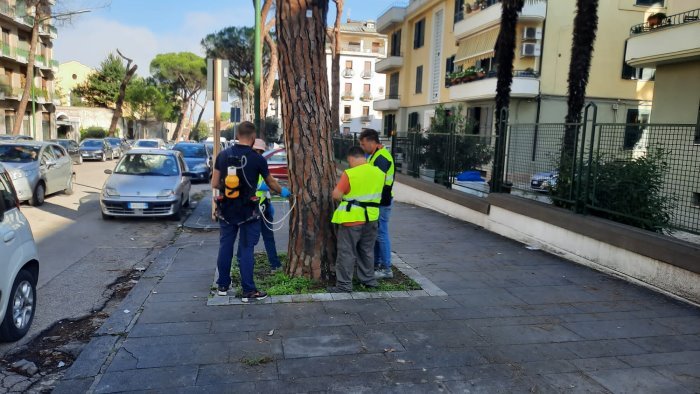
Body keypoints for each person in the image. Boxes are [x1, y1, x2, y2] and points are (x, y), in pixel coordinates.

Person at [212, 122, 290, 302]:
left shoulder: (223, 155)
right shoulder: (258, 159)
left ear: (237, 135)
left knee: (225, 247)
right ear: (253, 138)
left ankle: (222, 286)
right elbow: (271, 183)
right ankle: (248, 290)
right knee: (246, 249)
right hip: (248, 212)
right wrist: (283, 192)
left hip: (226, 210)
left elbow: (215, 184)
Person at [327, 146, 385, 293]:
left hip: (352, 219)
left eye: (349, 161)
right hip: (372, 218)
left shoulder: (350, 174)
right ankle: (368, 280)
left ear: (351, 158)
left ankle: (344, 285)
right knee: (367, 250)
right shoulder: (379, 173)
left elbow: (336, 195)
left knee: (347, 252)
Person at [236, 139, 282, 272]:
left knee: (268, 237)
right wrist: (267, 187)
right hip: (250, 207)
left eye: (261, 151)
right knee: (247, 238)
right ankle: (241, 262)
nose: (259, 153)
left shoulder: (259, 162)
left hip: (263, 206)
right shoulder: (244, 164)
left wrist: (268, 199)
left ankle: (275, 264)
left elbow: (267, 181)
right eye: (257, 151)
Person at [358, 129, 395, 279]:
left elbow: (375, 181)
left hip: (382, 202)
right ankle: (378, 264)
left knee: (381, 234)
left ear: (372, 142)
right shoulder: (375, 155)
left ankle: (386, 268)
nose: (362, 146)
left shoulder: (381, 158)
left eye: (363, 143)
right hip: (379, 201)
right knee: (378, 234)